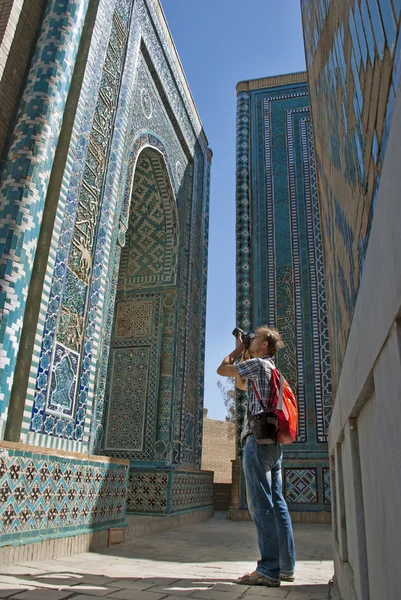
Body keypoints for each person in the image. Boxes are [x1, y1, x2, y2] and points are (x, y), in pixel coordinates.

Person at [217, 325, 296, 587]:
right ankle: (285, 566)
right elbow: (241, 386)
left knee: (260, 505)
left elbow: (222, 369)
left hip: (256, 441)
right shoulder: (273, 370)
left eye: (255, 339)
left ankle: (268, 570)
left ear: (264, 345)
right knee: (277, 503)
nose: (252, 341)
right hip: (273, 444)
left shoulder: (259, 365)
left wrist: (239, 348)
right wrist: (245, 353)